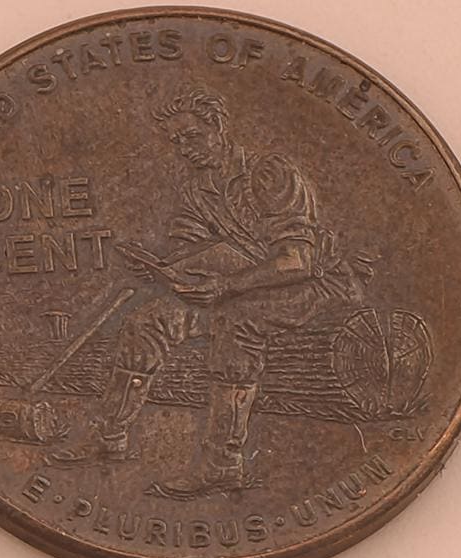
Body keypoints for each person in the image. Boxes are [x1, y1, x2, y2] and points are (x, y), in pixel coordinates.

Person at [49, 87, 358, 495]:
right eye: (177, 141)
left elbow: (296, 260)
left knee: (236, 321)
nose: (185, 148)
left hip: (311, 286)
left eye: (193, 136)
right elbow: (192, 249)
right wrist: (163, 271)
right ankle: (109, 435)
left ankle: (222, 465)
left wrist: (226, 285)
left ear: (219, 127)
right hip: (237, 286)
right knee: (146, 322)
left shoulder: (269, 173)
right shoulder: (198, 188)